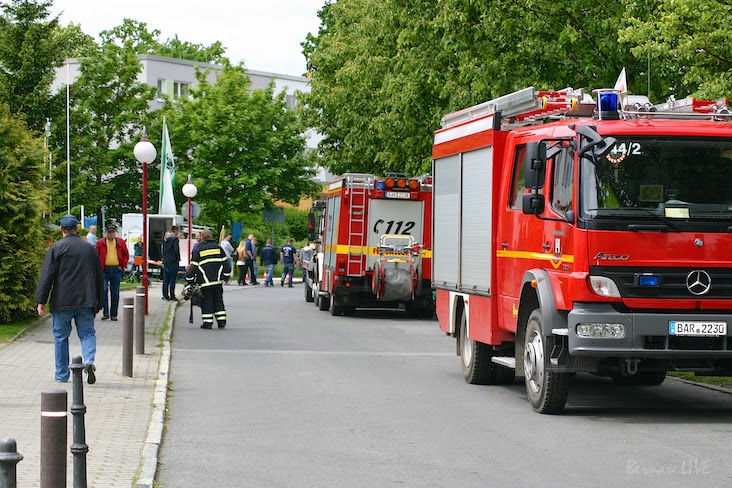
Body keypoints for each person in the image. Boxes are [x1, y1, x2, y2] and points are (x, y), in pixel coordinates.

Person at [35, 215, 103, 384]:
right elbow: (98, 277)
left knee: (60, 337)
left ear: (61, 229)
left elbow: (47, 276)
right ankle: (88, 360)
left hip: (61, 300)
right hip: (86, 299)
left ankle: (62, 374)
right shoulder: (89, 249)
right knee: (87, 333)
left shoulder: (56, 248)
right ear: (77, 228)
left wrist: (41, 300)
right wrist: (100, 302)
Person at [186, 229, 231, 329]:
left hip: (205, 282)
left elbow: (193, 268)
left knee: (207, 301)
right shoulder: (219, 249)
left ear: (202, 237)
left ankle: (207, 322)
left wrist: (189, 279)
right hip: (218, 282)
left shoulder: (199, 251)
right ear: (211, 237)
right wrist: (225, 277)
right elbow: (226, 265)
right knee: (218, 300)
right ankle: (221, 321)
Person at [95, 225, 129, 321]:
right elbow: (95, 255)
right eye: (109, 232)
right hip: (104, 270)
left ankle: (114, 314)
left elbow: (126, 254)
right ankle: (106, 313)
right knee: (104, 291)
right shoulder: (100, 243)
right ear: (106, 233)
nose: (111, 234)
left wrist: (122, 265)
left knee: (115, 293)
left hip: (116, 270)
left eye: (113, 232)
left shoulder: (120, 242)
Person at [162, 226, 181, 300]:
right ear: (176, 231)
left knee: (166, 279)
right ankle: (172, 295)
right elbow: (176, 250)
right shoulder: (175, 239)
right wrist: (178, 258)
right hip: (173, 261)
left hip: (166, 260)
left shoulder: (165, 239)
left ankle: (165, 295)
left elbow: (163, 249)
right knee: (172, 279)